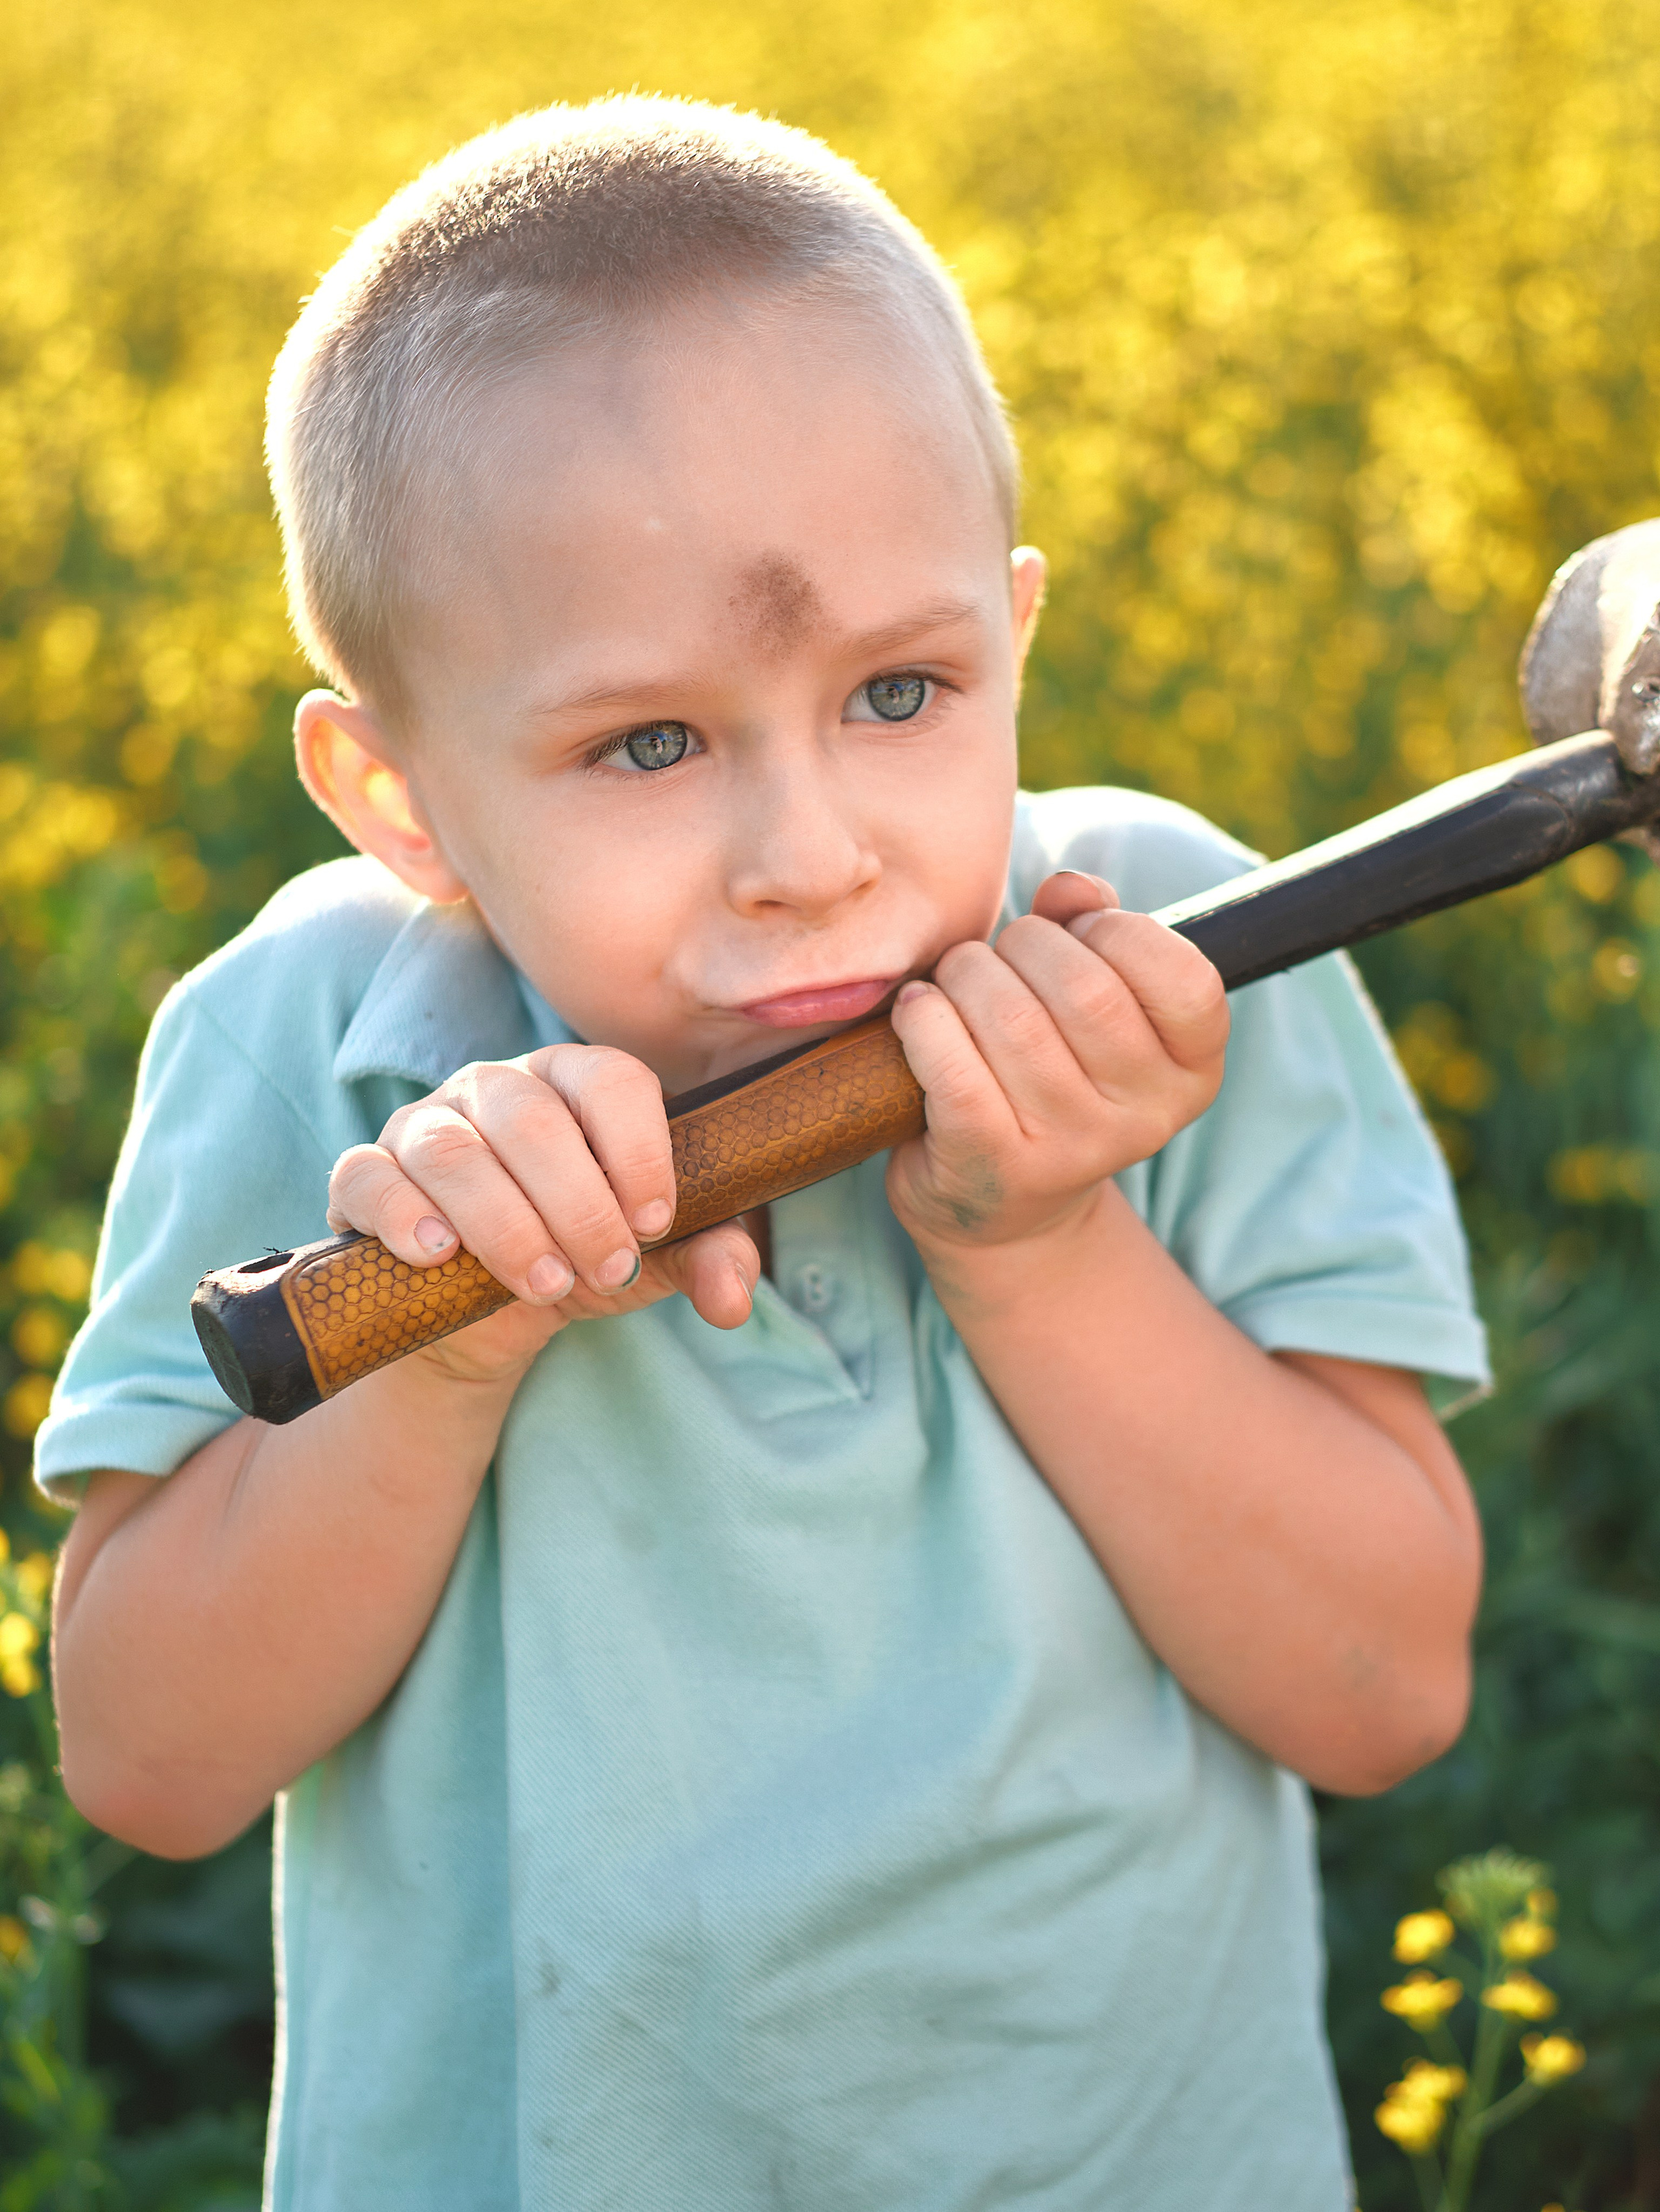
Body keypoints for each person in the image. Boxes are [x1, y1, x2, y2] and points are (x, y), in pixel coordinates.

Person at [38, 97, 1488, 2212]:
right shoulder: (308, 1051)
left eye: (904, 692)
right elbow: (149, 1764)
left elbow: (1384, 1689)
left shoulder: (1171, 962)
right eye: (647, 742)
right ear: (401, 793)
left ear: (1016, 632)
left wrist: (1049, 1247)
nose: (813, 860)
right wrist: (444, 1346)